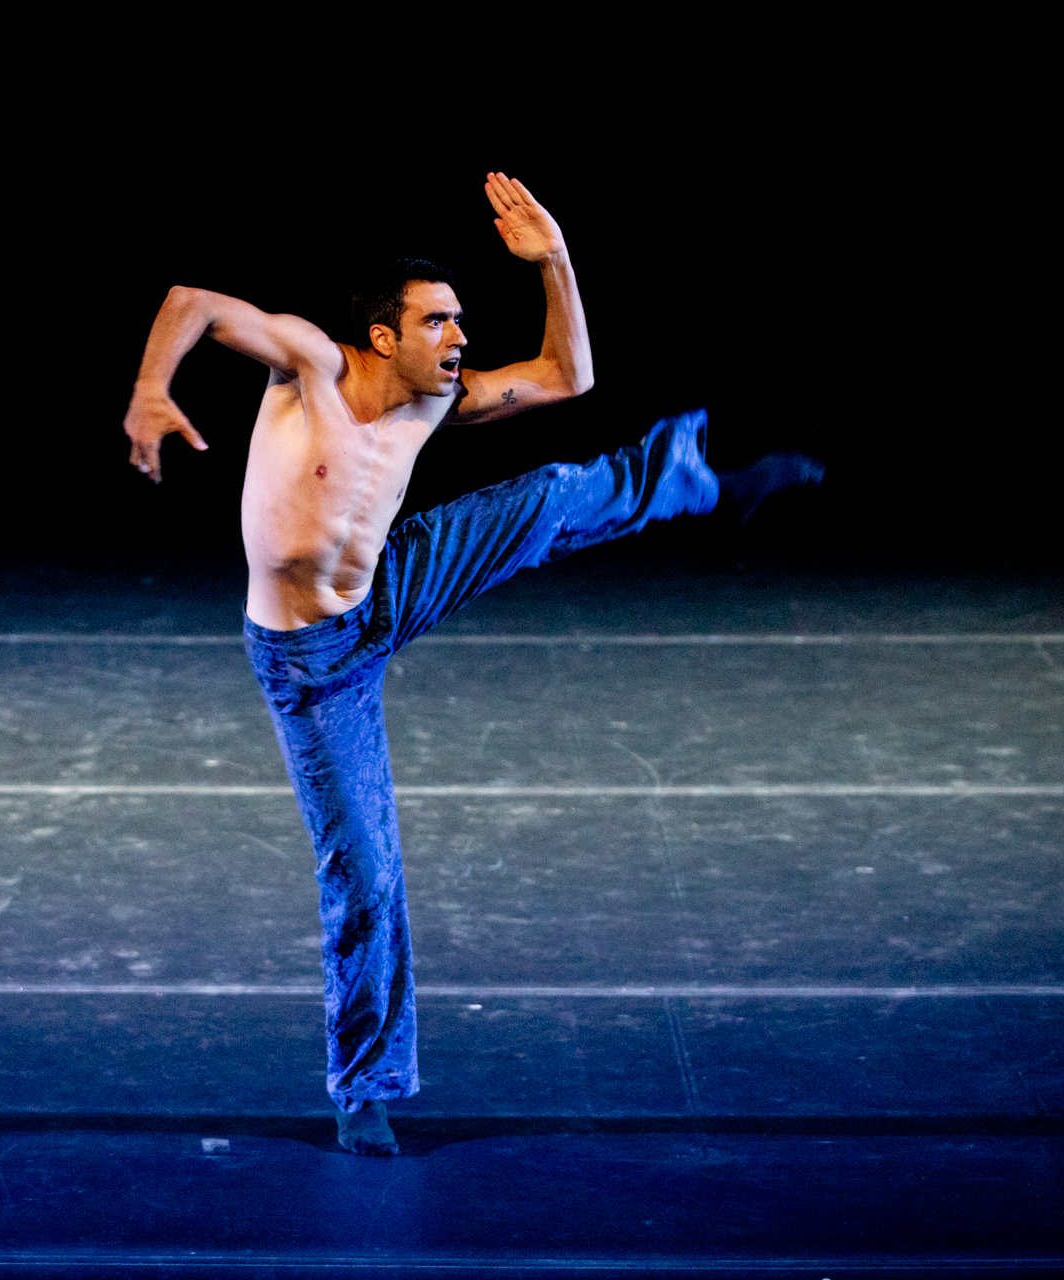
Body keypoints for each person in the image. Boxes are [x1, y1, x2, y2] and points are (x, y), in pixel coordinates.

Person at [122, 173, 821, 1155]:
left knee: (546, 495)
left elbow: (570, 376)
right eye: (439, 322)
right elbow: (192, 303)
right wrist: (154, 387)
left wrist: (557, 258)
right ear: (381, 337)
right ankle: (364, 1083)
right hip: (310, 662)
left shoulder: (431, 406)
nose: (459, 339)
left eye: (460, 322)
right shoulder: (309, 369)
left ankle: (707, 479)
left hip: (386, 590)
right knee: (364, 873)